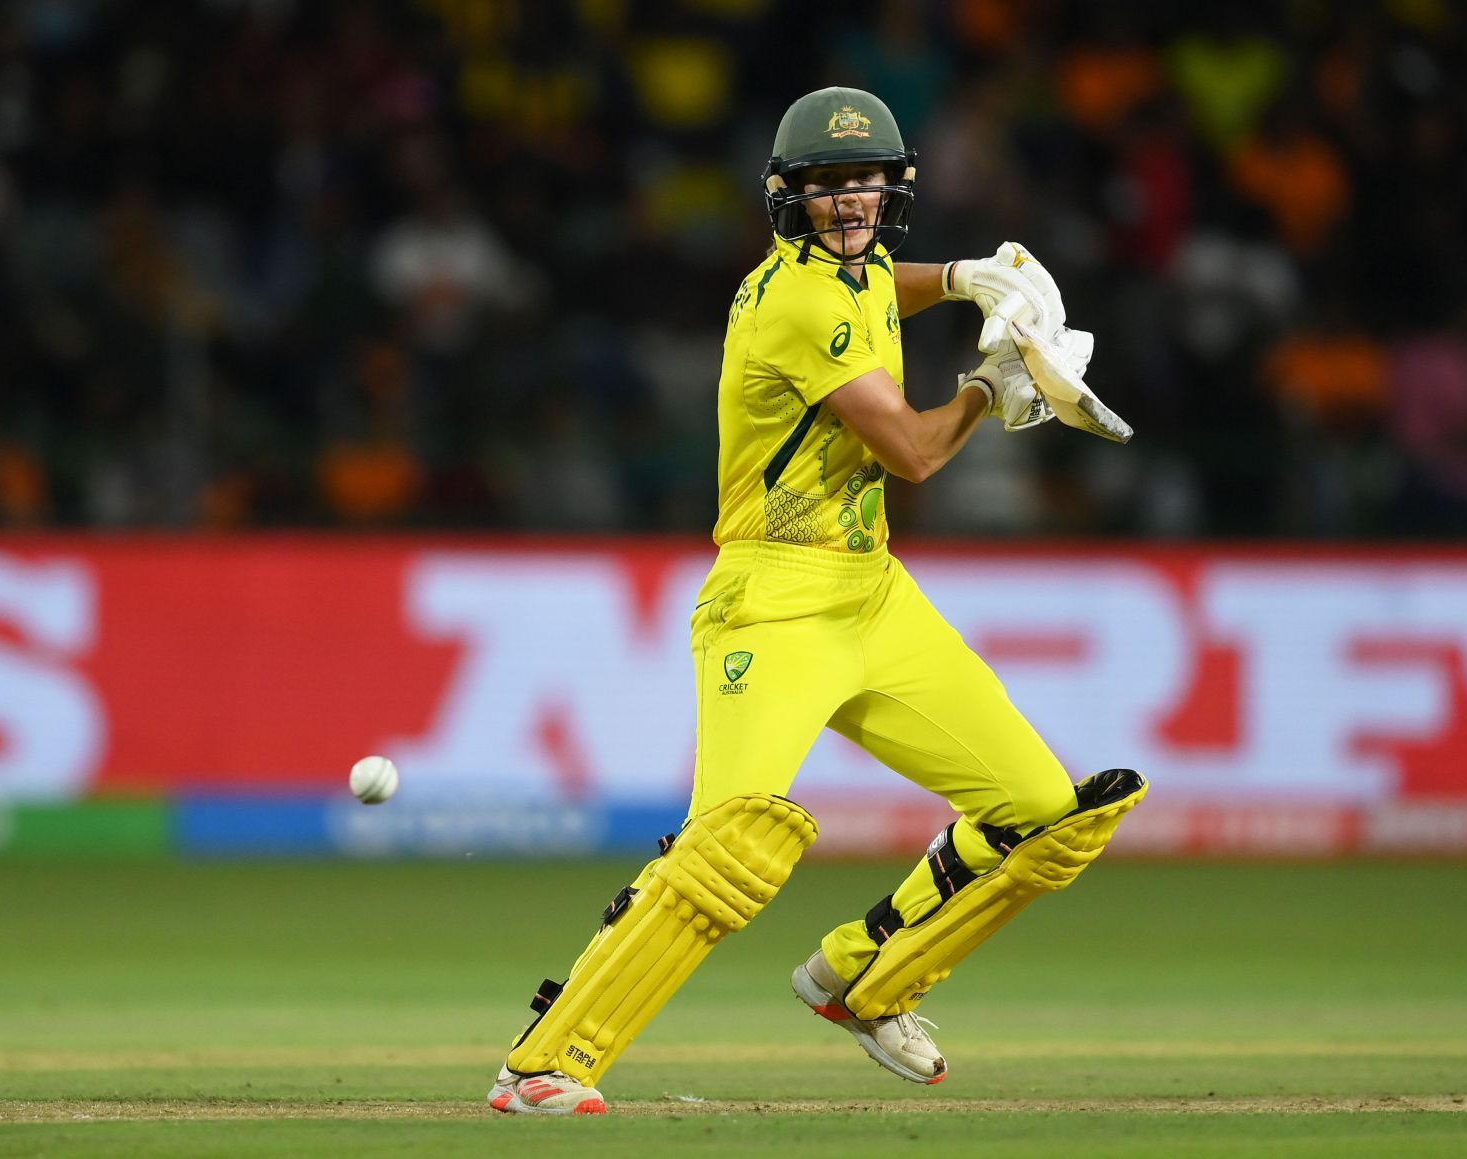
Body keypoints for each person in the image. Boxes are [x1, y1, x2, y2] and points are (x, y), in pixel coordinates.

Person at [486, 87, 1147, 1116]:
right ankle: (546, 1060)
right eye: (828, 187)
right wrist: (991, 382)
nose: (850, 204)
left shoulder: (861, 267)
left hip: (872, 592)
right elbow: (917, 455)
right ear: (788, 198)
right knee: (733, 842)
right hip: (773, 602)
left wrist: (972, 279)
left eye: (867, 183)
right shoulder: (795, 300)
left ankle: (865, 977)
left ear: (893, 188)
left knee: (1043, 814)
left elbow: (887, 286)